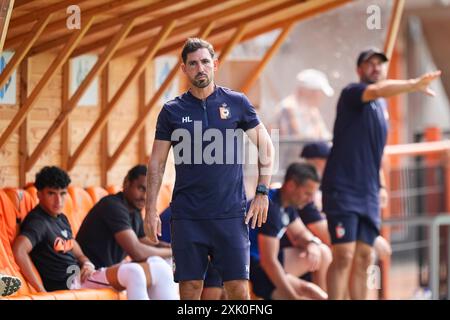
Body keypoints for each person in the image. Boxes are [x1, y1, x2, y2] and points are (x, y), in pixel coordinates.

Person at [145, 38, 274, 300]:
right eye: (193, 64)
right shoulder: (171, 111)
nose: (200, 68)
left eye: (205, 62)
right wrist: (149, 210)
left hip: (230, 214)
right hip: (188, 217)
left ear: (214, 64)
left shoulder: (237, 102)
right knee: (191, 289)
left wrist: (262, 192)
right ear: (184, 69)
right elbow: (156, 164)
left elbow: (267, 147)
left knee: (238, 289)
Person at [321, 48, 441, 300]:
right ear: (359, 69)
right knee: (344, 254)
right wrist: (412, 84)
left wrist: (382, 185)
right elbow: (375, 90)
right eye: (369, 63)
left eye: (380, 63)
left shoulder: (383, 106)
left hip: (369, 192)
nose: (376, 67)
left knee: (365, 256)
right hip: (342, 188)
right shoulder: (352, 92)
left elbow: (376, 150)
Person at [13, 166, 177, 300]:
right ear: (39, 194)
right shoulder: (38, 222)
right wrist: (41, 291)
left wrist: (85, 261)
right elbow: (19, 249)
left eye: (62, 194)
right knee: (134, 273)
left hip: (82, 275)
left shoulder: (59, 218)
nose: (58, 200)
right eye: (51, 194)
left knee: (160, 266)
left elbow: (73, 244)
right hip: (68, 282)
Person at [76, 165, 178, 299]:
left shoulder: (133, 210)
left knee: (161, 265)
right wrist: (175, 251)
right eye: (141, 189)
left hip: (107, 272)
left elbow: (142, 240)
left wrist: (165, 246)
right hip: (88, 274)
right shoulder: (112, 205)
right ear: (126, 183)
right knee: (136, 271)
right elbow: (137, 252)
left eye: (150, 191)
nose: (145, 197)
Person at [250, 163, 330, 300]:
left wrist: (312, 243)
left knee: (321, 253)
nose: (310, 199)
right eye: (307, 193)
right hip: (254, 267)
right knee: (305, 292)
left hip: (266, 264)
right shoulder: (272, 208)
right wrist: (293, 297)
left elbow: (300, 234)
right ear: (291, 185)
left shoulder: (286, 203)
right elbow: (268, 261)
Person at [159, 206, 226, 300]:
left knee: (220, 269)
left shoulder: (204, 209)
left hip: (184, 253)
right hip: (168, 258)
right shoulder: (181, 209)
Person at [273, 69, 334, 140]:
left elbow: (324, 136)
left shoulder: (312, 111)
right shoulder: (287, 109)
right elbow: (293, 144)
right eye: (319, 92)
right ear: (309, 91)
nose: (322, 97)